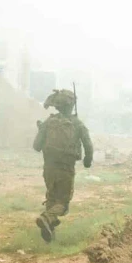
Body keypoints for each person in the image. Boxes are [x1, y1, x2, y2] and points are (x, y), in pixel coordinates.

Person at [32, 89, 93, 243]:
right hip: (66, 168)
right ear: (72, 105)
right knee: (63, 204)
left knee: (52, 199)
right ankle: (47, 218)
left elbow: (36, 146)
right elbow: (88, 145)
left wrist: (41, 131)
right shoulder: (77, 124)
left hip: (49, 168)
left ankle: (49, 235)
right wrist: (87, 161)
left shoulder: (49, 122)